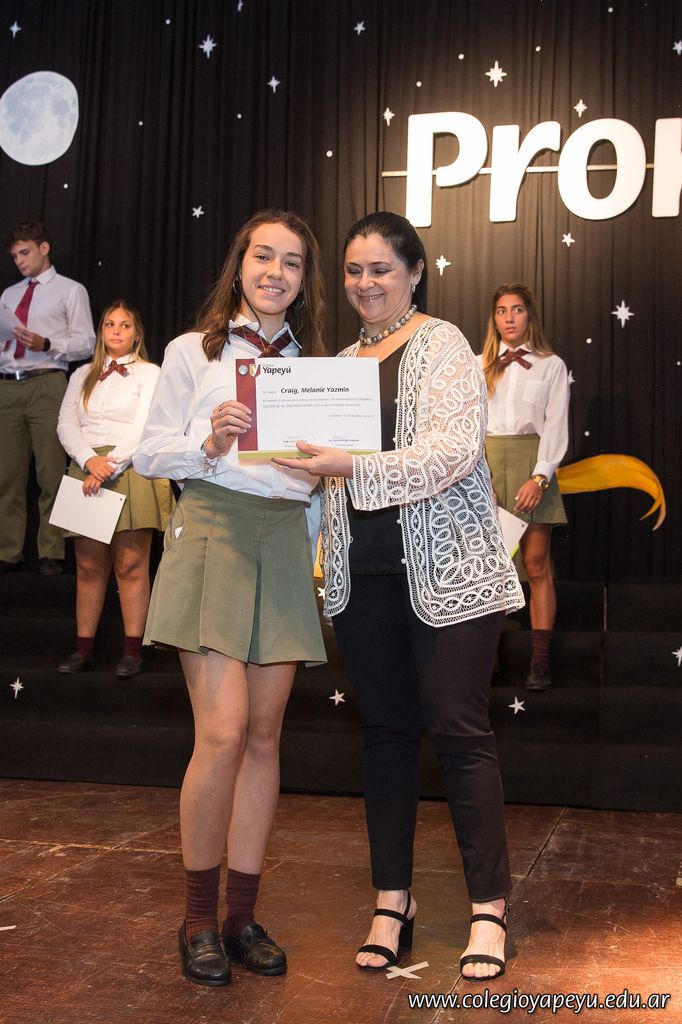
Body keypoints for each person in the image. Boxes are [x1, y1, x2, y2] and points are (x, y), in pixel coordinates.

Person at [274, 212, 524, 982]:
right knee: (384, 735)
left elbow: (452, 454)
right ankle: (393, 902)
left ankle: (489, 909)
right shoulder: (340, 364)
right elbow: (318, 475)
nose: (365, 283)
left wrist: (350, 466)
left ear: (415, 272)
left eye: (381, 268)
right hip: (363, 578)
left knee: (459, 733)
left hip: (450, 575)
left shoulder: (445, 344)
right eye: (353, 270)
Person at [133, 210, 327, 987]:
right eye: (263, 256)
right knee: (221, 733)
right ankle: (198, 920)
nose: (276, 272)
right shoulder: (193, 352)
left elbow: (320, 483)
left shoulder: (316, 367)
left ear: (305, 279)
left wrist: (317, 505)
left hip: (283, 541)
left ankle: (242, 917)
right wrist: (209, 443)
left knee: (264, 739)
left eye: (292, 262)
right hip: (212, 529)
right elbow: (148, 453)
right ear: (240, 264)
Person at [56, 301, 173, 677]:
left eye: (125, 325)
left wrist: (111, 464)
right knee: (89, 566)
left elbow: (146, 424)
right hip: (87, 468)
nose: (117, 330)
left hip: (130, 468)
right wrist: (90, 460)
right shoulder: (82, 374)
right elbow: (66, 423)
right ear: (101, 331)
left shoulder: (150, 373)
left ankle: (133, 652)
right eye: (109, 324)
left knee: (131, 565)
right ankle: (83, 650)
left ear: (137, 334)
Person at [479, 285, 569, 691]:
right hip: (486, 468)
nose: (509, 318)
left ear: (530, 315)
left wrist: (540, 477)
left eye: (517, 310)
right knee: (488, 571)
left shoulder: (551, 366)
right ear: (494, 319)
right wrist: (481, 478)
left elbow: (555, 424)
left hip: (533, 465)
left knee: (535, 565)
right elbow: (469, 427)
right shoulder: (478, 365)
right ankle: (489, 663)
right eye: (502, 311)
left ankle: (540, 663)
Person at [0, 221, 95, 574]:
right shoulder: (9, 295)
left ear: (44, 248)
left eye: (25, 252)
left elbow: (86, 343)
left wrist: (48, 344)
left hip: (47, 381)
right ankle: (8, 551)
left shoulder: (71, 290)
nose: (19, 261)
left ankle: (51, 551)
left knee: (50, 472)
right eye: (14, 256)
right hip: (7, 384)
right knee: (6, 475)